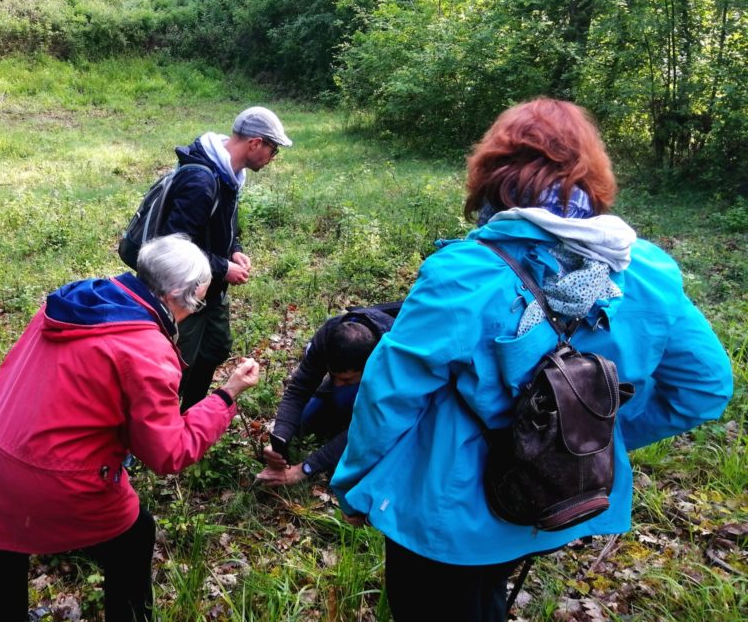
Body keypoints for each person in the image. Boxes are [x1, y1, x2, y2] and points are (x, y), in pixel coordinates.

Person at [331, 98, 733, 622]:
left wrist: (351, 484)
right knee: (484, 598)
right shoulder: (646, 269)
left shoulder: (465, 272)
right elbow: (705, 386)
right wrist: (575, 439)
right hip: (558, 495)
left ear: (492, 172)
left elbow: (390, 395)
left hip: (447, 509)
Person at [0, 234, 261, 622]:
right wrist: (227, 395)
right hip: (59, 476)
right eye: (198, 299)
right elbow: (168, 453)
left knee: (2, 545)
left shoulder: (76, 302)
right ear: (178, 293)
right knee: (134, 537)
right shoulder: (145, 349)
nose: (195, 310)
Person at [159, 106, 292, 411]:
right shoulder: (201, 179)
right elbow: (173, 245)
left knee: (216, 347)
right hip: (184, 292)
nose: (273, 159)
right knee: (179, 364)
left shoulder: (231, 175)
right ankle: (164, 427)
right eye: (273, 150)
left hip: (212, 287)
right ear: (255, 143)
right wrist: (223, 267)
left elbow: (225, 225)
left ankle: (191, 411)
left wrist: (234, 248)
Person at [255, 302, 400, 486]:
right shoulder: (327, 336)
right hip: (359, 379)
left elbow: (370, 427)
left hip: (390, 397)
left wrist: (305, 468)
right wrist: (280, 438)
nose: (339, 384)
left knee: (373, 447)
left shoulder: (392, 358)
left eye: (346, 379)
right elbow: (299, 389)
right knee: (304, 419)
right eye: (334, 376)